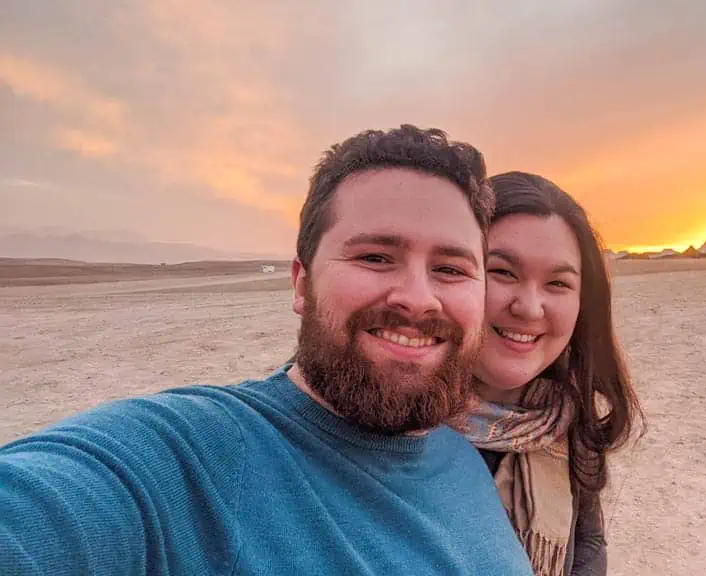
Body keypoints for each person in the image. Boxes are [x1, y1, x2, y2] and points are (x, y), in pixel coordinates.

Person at [0, 125, 534, 575]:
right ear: (301, 284)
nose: (418, 299)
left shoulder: (465, 463)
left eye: (450, 269)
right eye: (374, 256)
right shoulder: (184, 461)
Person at [454, 171, 647, 576]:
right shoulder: (393, 419)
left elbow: (587, 542)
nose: (529, 307)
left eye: (557, 283)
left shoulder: (563, 420)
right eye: (503, 272)